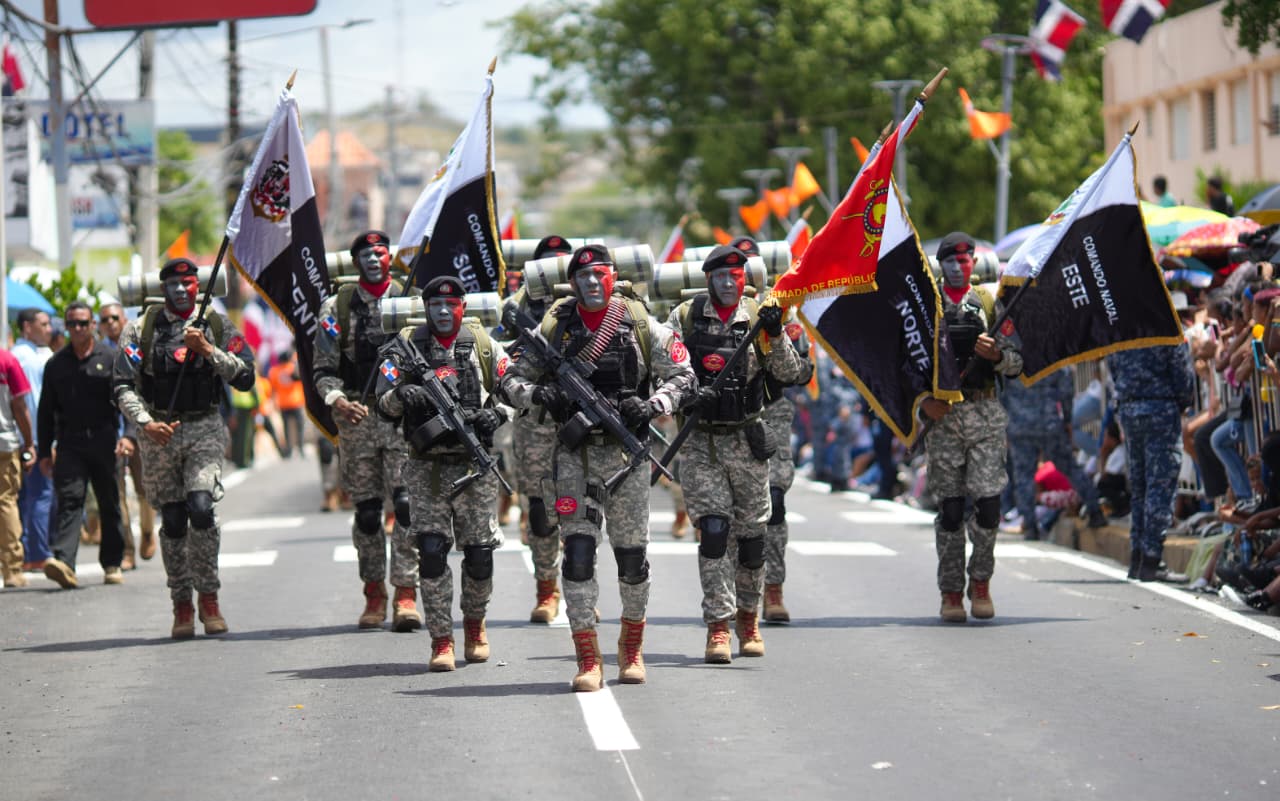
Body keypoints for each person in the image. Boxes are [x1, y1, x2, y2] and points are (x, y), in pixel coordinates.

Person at [500, 243, 695, 690]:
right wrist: (537, 396)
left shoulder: (641, 323)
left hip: (626, 459)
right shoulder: (556, 325)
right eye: (583, 276)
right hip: (574, 456)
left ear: (613, 276)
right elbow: (509, 375)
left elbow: (684, 376)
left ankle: (631, 648)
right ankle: (588, 658)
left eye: (600, 274)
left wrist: (651, 405)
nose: (592, 282)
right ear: (572, 282)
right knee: (579, 557)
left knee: (631, 559)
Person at [666, 244, 805, 661]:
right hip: (702, 442)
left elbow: (791, 373)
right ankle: (718, 627)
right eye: (721, 276)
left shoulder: (761, 316)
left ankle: (749, 618)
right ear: (708, 278)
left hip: (747, 442)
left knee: (751, 542)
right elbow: (664, 368)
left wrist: (776, 332)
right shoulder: (686, 317)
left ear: (746, 279)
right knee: (713, 533)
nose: (729, 282)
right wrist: (690, 391)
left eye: (737, 275)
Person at [113, 258, 256, 638]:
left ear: (198, 285)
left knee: (201, 508)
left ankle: (209, 598)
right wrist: (145, 423)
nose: (180, 289)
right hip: (159, 432)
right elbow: (123, 384)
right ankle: (181, 602)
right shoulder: (140, 329)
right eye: (172, 283)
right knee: (174, 520)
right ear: (162, 289)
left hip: (204, 427)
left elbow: (245, 376)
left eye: (188, 282)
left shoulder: (217, 324)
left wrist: (209, 350)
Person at [375, 275, 511, 672]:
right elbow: (381, 400)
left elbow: (515, 387)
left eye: (451, 305)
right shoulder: (406, 349)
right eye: (436, 305)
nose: (444, 311)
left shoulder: (482, 344)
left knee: (480, 555)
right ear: (427, 308)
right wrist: (401, 395)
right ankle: (441, 639)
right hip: (426, 469)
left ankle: (474, 624)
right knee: (432, 553)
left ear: (462, 308)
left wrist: (497, 414)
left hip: (474, 468)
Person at [312, 230, 420, 632]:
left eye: (380, 252)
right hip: (356, 419)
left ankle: (406, 591)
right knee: (370, 513)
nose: (374, 259)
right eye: (366, 254)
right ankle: (374, 592)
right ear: (356, 262)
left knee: (407, 506)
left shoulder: (411, 301)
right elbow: (322, 371)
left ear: (389, 258)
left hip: (399, 418)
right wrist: (336, 399)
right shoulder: (337, 307)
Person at [920, 232, 1023, 622]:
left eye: (967, 260)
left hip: (984, 415)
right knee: (950, 509)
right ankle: (950, 591)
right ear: (941, 265)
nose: (961, 266)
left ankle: (980, 581)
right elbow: (909, 364)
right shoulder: (927, 307)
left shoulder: (988, 304)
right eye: (953, 260)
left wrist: (996, 355)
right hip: (944, 418)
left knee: (989, 504)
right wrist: (923, 403)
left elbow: (1016, 362)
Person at [495, 234, 574, 623]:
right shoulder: (516, 308)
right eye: (549, 263)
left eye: (564, 261)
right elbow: (496, 360)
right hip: (537, 422)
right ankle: (547, 588)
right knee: (541, 511)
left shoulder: (596, 306)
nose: (557, 270)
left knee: (580, 512)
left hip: (584, 421)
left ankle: (578, 589)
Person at [37, 302, 130, 588]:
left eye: (83, 323)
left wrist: (129, 436)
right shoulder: (56, 364)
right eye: (72, 324)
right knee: (70, 500)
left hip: (104, 441)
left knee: (109, 503)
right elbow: (45, 411)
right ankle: (64, 562)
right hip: (70, 444)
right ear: (65, 327)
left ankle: (112, 563)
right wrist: (43, 452)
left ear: (93, 325)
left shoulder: (111, 357)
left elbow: (127, 401)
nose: (77, 329)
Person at [1105, 341, 1194, 580]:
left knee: (1140, 486)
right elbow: (1183, 377)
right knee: (1160, 485)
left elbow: (1113, 368)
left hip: (1131, 409)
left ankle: (1137, 557)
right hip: (1161, 408)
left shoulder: (1124, 328)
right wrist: (1182, 402)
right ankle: (1151, 558)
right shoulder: (1167, 330)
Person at [1003, 366, 1108, 540]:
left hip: (1020, 426)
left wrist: (1005, 424)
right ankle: (1095, 511)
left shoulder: (1010, 357)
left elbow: (1002, 394)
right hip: (1049, 423)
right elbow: (1066, 390)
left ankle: (1030, 526)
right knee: (1071, 468)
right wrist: (1067, 420)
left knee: (1023, 477)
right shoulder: (1051, 355)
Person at [98, 302, 156, 570]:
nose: (110, 323)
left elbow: (140, 393)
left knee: (144, 487)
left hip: (136, 427)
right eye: (104, 319)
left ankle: (146, 531)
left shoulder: (133, 348)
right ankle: (127, 550)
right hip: (108, 433)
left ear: (123, 319)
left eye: (114, 318)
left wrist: (133, 432)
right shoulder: (97, 353)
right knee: (116, 493)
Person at [12, 307, 53, 569]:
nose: (49, 329)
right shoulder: (29, 359)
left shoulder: (19, 355)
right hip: (33, 436)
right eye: (44, 324)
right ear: (28, 327)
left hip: (20, 437)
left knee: (22, 497)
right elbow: (34, 403)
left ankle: (25, 552)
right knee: (40, 495)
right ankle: (36, 552)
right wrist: (41, 441)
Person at [0, 347, 35, 587]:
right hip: (4, 442)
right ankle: (12, 569)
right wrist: (29, 443)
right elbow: (19, 405)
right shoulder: (6, 359)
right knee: (5, 502)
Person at [269, 348, 306, 458]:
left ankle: (289, 450)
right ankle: (301, 448)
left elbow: (273, 388)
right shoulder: (292, 368)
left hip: (283, 403)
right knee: (300, 427)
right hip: (296, 401)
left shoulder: (274, 371)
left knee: (286, 428)